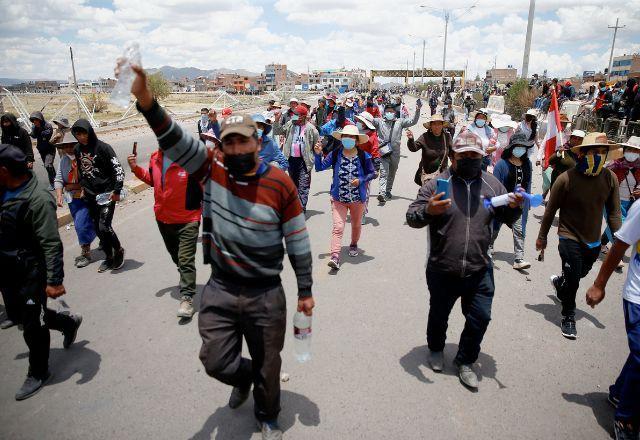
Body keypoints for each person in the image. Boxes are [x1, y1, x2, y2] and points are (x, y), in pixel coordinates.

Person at [125, 63, 314, 439]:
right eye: (230, 142)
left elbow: (297, 238)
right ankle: (245, 378)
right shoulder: (211, 170)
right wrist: (147, 100)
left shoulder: (279, 183)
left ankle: (268, 414)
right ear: (222, 148)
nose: (237, 147)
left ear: (258, 142)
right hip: (222, 288)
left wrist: (306, 290)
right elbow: (174, 138)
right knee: (215, 360)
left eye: (244, 140)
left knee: (269, 361)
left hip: (266, 292)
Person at [406, 131, 523, 390]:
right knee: (439, 314)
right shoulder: (436, 186)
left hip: (480, 268)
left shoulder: (493, 185)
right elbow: (411, 217)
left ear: (482, 157)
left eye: (475, 155)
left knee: (480, 317)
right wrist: (428, 210)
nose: (470, 159)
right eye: (464, 155)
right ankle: (436, 348)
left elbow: (508, 218)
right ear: (453, 157)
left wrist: (515, 207)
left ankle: (465, 360)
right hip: (442, 267)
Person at [0, 144, 83, 400]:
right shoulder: (4, 188)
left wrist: (55, 280)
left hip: (31, 270)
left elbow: (50, 242)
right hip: (8, 268)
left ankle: (38, 371)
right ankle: (68, 322)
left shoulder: (37, 199)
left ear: (4, 171)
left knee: (31, 324)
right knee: (22, 316)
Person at [536, 132, 623, 339]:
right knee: (574, 280)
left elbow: (614, 212)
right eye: (595, 152)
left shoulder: (610, 179)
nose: (600, 156)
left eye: (603, 152)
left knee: (579, 274)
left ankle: (560, 283)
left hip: (592, 241)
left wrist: (619, 238)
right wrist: (542, 237)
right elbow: (550, 211)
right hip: (569, 236)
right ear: (583, 154)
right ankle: (568, 316)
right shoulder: (566, 179)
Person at [127, 137, 202, 320]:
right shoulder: (155, 158)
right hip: (163, 218)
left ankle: (187, 298)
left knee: (185, 259)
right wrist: (135, 168)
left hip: (188, 218)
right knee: (174, 254)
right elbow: (152, 180)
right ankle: (184, 275)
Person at [585, 201, 640, 440]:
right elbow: (620, 246)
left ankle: (620, 391)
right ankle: (626, 418)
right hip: (638, 297)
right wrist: (599, 285)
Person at [313, 125, 376, 270]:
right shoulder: (335, 154)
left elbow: (372, 173)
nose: (348, 139)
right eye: (345, 136)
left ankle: (353, 244)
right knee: (338, 227)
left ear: (356, 140)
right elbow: (320, 167)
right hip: (338, 198)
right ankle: (335, 256)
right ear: (341, 138)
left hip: (357, 199)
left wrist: (360, 180)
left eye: (351, 137)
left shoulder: (363, 156)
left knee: (356, 225)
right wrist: (318, 154)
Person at [71, 119, 126, 273]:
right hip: (90, 195)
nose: (81, 137)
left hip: (107, 193)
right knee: (98, 228)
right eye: (77, 134)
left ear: (90, 132)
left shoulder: (103, 148)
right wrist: (83, 186)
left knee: (105, 226)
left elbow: (119, 170)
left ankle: (119, 250)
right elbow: (81, 171)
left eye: (83, 133)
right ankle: (109, 258)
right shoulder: (77, 149)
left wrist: (116, 191)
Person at [492, 132, 534, 270]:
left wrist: (526, 203)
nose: (520, 149)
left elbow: (527, 185)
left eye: (523, 147)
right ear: (511, 147)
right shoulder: (501, 165)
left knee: (519, 231)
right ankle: (488, 248)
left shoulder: (527, 164)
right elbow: (495, 187)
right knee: (494, 229)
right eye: (518, 146)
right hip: (502, 205)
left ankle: (519, 259)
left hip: (519, 206)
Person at [54, 132, 96, 268]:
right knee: (87, 222)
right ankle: (103, 240)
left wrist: (75, 185)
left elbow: (92, 178)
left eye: (72, 145)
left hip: (86, 196)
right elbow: (59, 179)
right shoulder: (64, 160)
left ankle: (86, 253)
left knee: (80, 224)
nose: (69, 149)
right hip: (72, 199)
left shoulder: (84, 158)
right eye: (66, 146)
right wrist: (59, 195)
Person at [372, 100, 421, 204]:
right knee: (384, 172)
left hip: (395, 152)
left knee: (392, 172)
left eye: (391, 111)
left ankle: (388, 190)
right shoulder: (379, 122)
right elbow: (367, 120)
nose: (389, 113)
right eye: (387, 111)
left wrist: (417, 110)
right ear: (384, 112)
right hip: (383, 151)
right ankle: (382, 193)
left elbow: (413, 121)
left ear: (395, 112)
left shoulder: (400, 122)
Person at [273, 105, 319, 213]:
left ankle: (301, 209)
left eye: (296, 115)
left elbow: (317, 145)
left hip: (304, 161)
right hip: (291, 160)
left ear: (303, 116)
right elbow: (277, 131)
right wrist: (276, 120)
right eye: (293, 114)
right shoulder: (290, 125)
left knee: (303, 186)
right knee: (293, 185)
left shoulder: (311, 129)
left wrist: (317, 151)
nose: (293, 116)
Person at [601, 136, 640, 253]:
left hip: (630, 203)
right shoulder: (614, 165)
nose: (632, 153)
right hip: (612, 201)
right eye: (629, 149)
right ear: (624, 149)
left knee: (615, 225)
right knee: (619, 226)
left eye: (635, 150)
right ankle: (618, 255)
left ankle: (602, 242)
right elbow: (603, 181)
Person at [407, 114, 451, 186]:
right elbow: (413, 148)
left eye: (439, 124)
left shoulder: (447, 137)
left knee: (441, 196)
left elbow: (453, 154)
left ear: (442, 125)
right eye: (434, 124)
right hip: (427, 174)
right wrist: (411, 140)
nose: (437, 126)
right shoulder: (425, 137)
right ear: (430, 126)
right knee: (426, 195)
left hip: (442, 174)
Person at [29, 111, 56, 190]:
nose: (35, 122)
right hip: (41, 149)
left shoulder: (48, 126)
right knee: (48, 166)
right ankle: (56, 180)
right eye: (33, 121)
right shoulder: (35, 127)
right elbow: (34, 136)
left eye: (36, 120)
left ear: (40, 119)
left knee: (48, 165)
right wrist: (33, 130)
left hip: (50, 149)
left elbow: (46, 134)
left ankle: (53, 183)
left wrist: (38, 129)